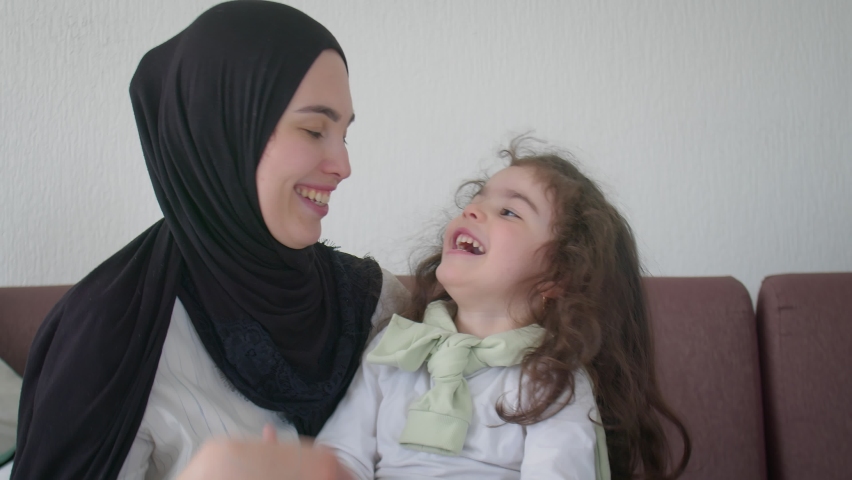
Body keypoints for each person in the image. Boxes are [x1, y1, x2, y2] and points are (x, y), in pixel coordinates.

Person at [12, 2, 408, 479]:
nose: (343, 166)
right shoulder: (112, 338)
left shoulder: (374, 303)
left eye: (344, 135)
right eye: (313, 129)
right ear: (220, 130)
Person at [315, 141, 692, 479]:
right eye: (476, 199)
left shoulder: (552, 381)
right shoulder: (396, 347)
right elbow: (343, 456)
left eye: (510, 212)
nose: (474, 210)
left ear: (558, 275)